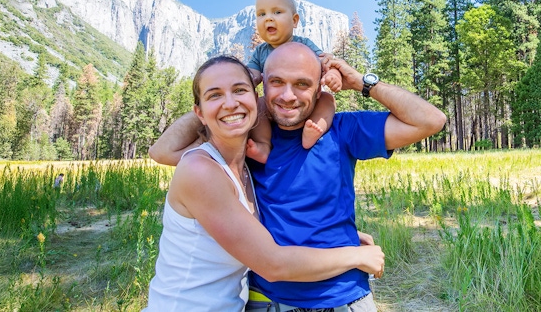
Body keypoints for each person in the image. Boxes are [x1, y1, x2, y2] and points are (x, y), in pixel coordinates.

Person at [150, 43, 447, 311]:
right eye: (276, 82)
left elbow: (431, 120)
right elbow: (163, 151)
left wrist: (361, 82)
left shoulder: (343, 130)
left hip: (344, 297)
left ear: (319, 90)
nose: (288, 95)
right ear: (262, 86)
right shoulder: (248, 144)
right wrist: (237, 84)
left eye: (302, 84)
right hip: (267, 300)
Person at [245, 0, 342, 163]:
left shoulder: (304, 45)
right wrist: (247, 80)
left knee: (328, 99)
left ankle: (315, 128)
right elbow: (251, 74)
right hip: (273, 106)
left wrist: (333, 75)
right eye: (261, 14)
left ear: (295, 20)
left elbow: (326, 61)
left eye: (277, 12)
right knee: (258, 104)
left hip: (304, 106)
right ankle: (264, 145)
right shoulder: (260, 52)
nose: (268, 19)